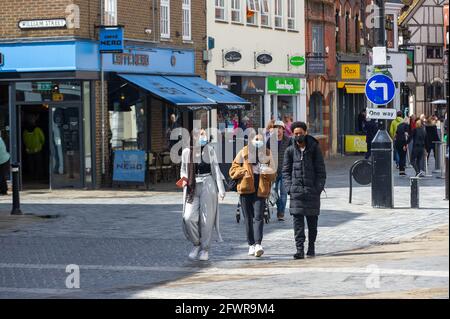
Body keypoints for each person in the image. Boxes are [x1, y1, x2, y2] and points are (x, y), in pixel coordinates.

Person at [180, 129, 226, 261]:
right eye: (201, 135)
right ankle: (196, 244)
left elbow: (216, 170)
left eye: (204, 135)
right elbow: (183, 170)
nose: (203, 137)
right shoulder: (186, 152)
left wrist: (221, 189)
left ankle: (205, 249)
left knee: (207, 220)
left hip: (208, 183)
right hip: (192, 185)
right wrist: (183, 180)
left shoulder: (210, 150)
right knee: (188, 217)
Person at [282, 122, 326, 260]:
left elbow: (321, 170)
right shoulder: (289, 150)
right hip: (296, 193)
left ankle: (311, 247)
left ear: (305, 132)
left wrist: (318, 188)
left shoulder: (314, 148)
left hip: (312, 192)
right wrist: (289, 188)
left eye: (300, 133)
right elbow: (285, 171)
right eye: (296, 133)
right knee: (298, 224)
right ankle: (299, 249)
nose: (298, 135)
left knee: (312, 223)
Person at [229, 132, 276, 258]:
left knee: (258, 216)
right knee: (248, 218)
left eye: (260, 140)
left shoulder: (267, 153)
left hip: (260, 188)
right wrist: (243, 171)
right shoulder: (243, 152)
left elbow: (274, 174)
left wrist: (267, 172)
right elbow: (232, 170)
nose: (258, 142)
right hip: (246, 188)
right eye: (256, 140)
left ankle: (258, 244)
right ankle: (251, 244)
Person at [267, 120, 291, 221]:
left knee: (284, 193)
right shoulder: (270, 140)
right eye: (276, 128)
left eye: (280, 128)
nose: (278, 130)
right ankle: (280, 209)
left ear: (283, 129)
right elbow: (266, 154)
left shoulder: (289, 141)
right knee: (274, 192)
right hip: (273, 171)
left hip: (285, 170)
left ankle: (281, 213)